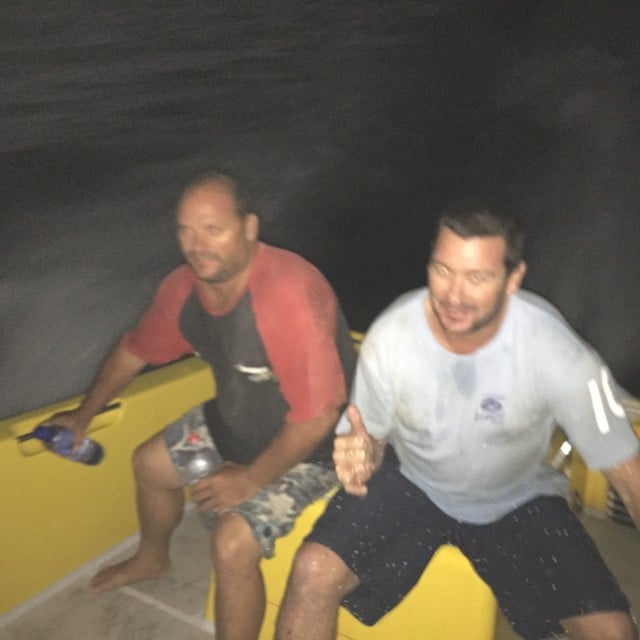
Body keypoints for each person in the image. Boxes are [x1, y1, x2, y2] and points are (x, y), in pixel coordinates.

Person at [275, 200, 640, 640]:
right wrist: (362, 452)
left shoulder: (559, 353)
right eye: (442, 270)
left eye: (477, 277)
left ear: (513, 279)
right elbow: (368, 434)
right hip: (413, 481)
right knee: (311, 569)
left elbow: (628, 475)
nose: (454, 295)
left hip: (518, 496)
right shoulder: (391, 336)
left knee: (613, 631)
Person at [46, 172, 356, 640]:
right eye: (185, 231)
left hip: (317, 448)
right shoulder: (182, 289)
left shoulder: (286, 294)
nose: (197, 246)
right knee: (149, 465)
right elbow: (134, 351)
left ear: (249, 228)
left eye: (214, 230)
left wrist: (249, 479)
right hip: (238, 420)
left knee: (232, 543)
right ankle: (153, 558)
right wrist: (84, 416)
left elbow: (319, 416)